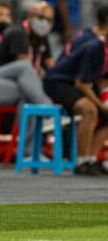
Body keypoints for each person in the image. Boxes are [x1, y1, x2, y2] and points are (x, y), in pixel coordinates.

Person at [44, 35, 108, 175]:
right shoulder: (95, 48)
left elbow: (103, 81)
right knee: (89, 110)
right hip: (58, 82)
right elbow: (81, 84)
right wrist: (101, 106)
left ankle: (91, 159)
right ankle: (81, 161)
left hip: (77, 85)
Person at [0, 1, 55, 75]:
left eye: (49, 20)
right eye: (41, 17)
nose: (44, 22)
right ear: (30, 16)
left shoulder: (42, 36)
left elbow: (51, 66)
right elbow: (25, 69)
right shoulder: (17, 32)